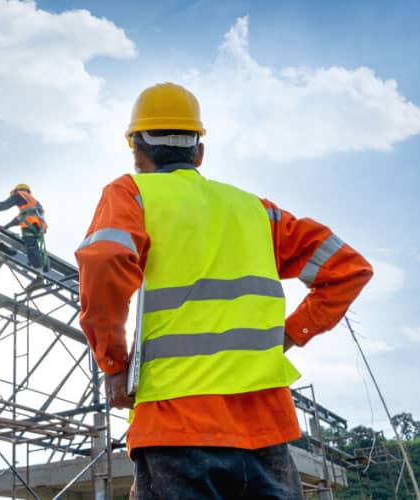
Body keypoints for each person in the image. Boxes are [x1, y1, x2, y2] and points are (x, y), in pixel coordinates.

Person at [75, 83, 373, 499]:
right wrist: (288, 335)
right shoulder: (256, 210)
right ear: (199, 152)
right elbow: (349, 268)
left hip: (173, 423)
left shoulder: (130, 194)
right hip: (265, 427)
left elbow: (105, 259)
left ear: (137, 151)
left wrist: (112, 364)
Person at [0, 184, 49, 289]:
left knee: (32, 248)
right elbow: (19, 218)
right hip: (37, 226)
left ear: (17, 190)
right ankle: (39, 274)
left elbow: (4, 205)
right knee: (33, 248)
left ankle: (39, 277)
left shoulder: (20, 194)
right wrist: (6, 227)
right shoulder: (32, 203)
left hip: (30, 226)